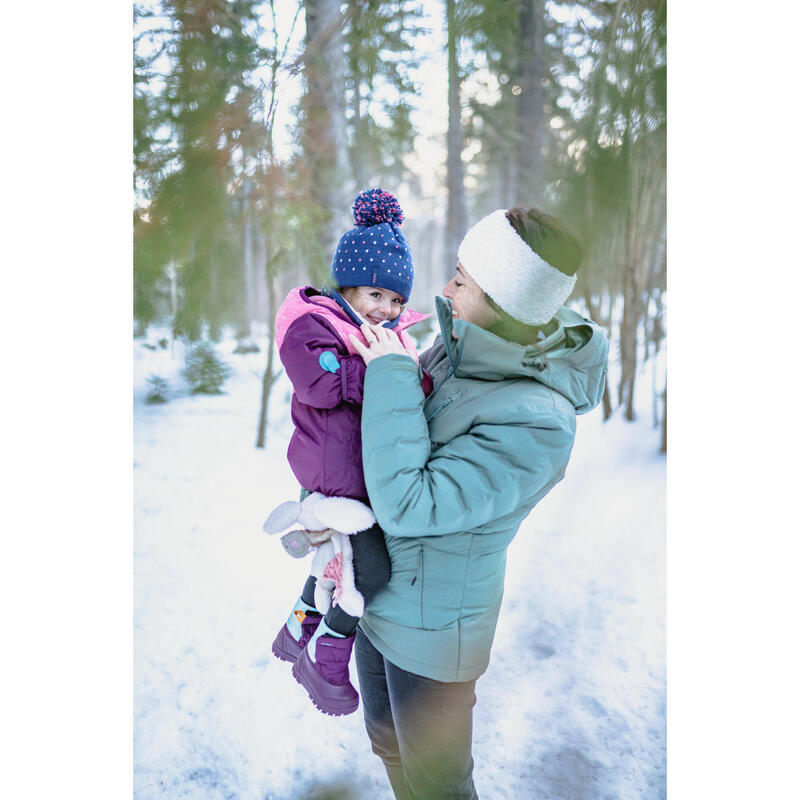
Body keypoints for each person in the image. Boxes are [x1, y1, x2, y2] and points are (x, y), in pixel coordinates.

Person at [348, 205, 610, 799]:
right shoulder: (463, 345)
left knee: (437, 785)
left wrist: (390, 371)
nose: (446, 289)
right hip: (378, 597)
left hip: (433, 635)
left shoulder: (539, 421)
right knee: (388, 745)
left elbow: (410, 503)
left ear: (506, 300)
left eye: (463, 280)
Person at [268, 188, 432, 717]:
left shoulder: (381, 336)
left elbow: (414, 387)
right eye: (375, 295)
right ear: (348, 285)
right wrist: (382, 372)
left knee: (334, 562)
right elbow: (320, 382)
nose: (386, 310)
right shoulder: (312, 322)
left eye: (396, 301)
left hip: (362, 474)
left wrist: (405, 377)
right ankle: (326, 660)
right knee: (370, 572)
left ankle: (298, 631)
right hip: (334, 474)